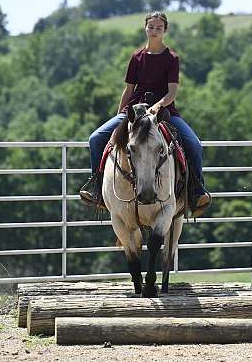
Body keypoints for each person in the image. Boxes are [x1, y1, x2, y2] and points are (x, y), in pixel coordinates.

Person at [79, 11, 211, 216]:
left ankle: (196, 191)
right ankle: (97, 188)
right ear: (145, 28)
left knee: (194, 144)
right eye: (151, 27)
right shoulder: (137, 57)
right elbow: (129, 89)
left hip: (165, 111)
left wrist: (157, 107)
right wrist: (119, 115)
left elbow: (172, 92)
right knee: (96, 138)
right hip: (134, 109)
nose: (154, 31)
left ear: (165, 30)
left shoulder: (172, 58)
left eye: (159, 28)